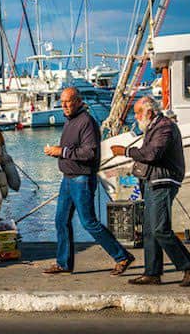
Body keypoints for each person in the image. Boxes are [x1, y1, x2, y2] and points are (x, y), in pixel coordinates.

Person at [111, 96, 190, 286]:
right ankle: (152, 273)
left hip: (163, 181)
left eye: (137, 113)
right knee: (149, 231)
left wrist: (125, 152)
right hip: (153, 181)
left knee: (160, 229)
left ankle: (189, 265)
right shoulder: (154, 127)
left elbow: (152, 154)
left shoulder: (164, 127)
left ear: (149, 112)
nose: (135, 117)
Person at [43, 87, 135, 275]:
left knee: (88, 222)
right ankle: (63, 263)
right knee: (61, 220)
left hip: (81, 179)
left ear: (78, 101)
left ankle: (122, 256)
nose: (65, 106)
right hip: (68, 179)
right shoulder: (70, 122)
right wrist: (59, 153)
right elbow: (73, 149)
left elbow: (90, 152)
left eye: (68, 101)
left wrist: (62, 152)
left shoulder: (86, 122)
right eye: (62, 102)